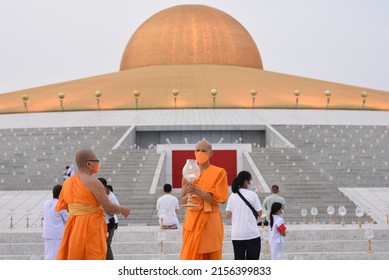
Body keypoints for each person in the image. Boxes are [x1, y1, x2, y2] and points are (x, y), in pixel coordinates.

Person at [55, 149, 130, 260]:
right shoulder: (93, 182)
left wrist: (80, 212)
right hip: (91, 227)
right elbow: (109, 208)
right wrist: (122, 209)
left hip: (73, 227)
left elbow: (64, 207)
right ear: (89, 163)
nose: (98, 164)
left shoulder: (67, 183)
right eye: (96, 161)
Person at [179, 139, 229, 260]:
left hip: (210, 220)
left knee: (211, 254)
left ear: (210, 153)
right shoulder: (188, 173)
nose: (200, 153)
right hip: (192, 219)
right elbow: (182, 201)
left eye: (203, 150)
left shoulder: (219, 172)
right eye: (197, 150)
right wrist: (190, 194)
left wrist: (200, 193)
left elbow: (221, 199)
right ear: (194, 152)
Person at [226, 171, 263, 260]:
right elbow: (260, 213)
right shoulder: (253, 195)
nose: (251, 183)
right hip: (251, 234)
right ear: (246, 181)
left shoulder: (232, 196)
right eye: (250, 180)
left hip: (237, 235)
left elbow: (228, 214)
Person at [42, 184, 69, 260]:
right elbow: (68, 219)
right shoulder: (60, 205)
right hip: (57, 235)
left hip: (47, 234)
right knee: (56, 256)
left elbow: (43, 217)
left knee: (48, 255)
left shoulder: (46, 203)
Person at [99, 177, 120, 260]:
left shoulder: (111, 197)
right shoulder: (101, 194)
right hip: (102, 223)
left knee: (106, 245)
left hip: (108, 224)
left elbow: (114, 211)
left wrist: (103, 206)